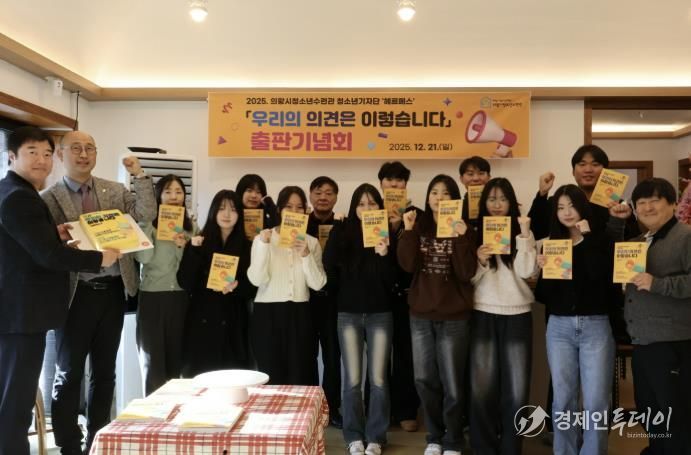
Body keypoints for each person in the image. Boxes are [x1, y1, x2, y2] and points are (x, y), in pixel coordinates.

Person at [0, 126, 117, 455]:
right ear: (11, 157)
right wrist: (99, 258)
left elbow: (29, 245)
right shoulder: (20, 197)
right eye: (32, 153)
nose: (41, 160)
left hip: (19, 316)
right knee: (15, 405)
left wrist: (55, 233)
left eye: (46, 153)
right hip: (20, 318)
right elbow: (48, 256)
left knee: (14, 400)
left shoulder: (15, 191)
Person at [41, 130, 156, 455]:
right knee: (68, 373)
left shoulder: (115, 190)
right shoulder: (49, 199)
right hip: (73, 294)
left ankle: (98, 438)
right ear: (61, 155)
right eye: (75, 148)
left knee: (105, 373)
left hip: (113, 291)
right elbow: (45, 249)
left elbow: (146, 214)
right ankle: (68, 445)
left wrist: (140, 175)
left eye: (89, 148)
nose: (83, 154)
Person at [397, 174, 478, 455]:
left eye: (445, 193)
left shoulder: (464, 229)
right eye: (434, 192)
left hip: (455, 317)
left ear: (454, 199)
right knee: (424, 379)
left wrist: (461, 237)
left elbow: (467, 273)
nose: (439, 198)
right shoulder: (419, 225)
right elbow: (407, 265)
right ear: (428, 197)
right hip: (421, 315)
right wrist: (408, 230)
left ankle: (453, 439)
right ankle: (434, 436)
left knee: (452, 382)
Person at [534, 184, 617, 455]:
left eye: (572, 206)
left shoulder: (601, 240)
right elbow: (543, 296)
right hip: (559, 327)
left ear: (583, 207)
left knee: (595, 401)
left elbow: (603, 280)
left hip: (595, 325)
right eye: (560, 207)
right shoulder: (552, 244)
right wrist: (543, 268)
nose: (567, 212)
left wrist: (588, 237)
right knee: (563, 399)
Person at [323, 184, 396, 455]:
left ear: (379, 207)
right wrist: (338, 228)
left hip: (380, 314)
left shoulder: (387, 234)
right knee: (352, 380)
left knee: (378, 380)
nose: (367, 209)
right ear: (354, 208)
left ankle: (376, 436)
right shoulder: (343, 231)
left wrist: (385, 254)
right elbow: (328, 263)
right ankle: (353, 436)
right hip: (349, 314)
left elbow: (394, 281)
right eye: (361, 204)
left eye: (372, 203)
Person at [470, 178, 537, 455]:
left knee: (517, 389)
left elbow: (527, 272)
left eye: (503, 199)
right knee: (482, 387)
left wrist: (524, 234)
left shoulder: (524, 231)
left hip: (518, 313)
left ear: (511, 202)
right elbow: (467, 279)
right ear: (483, 202)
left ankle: (512, 447)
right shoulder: (474, 232)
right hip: (482, 312)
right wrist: (480, 260)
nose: (497, 205)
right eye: (492, 199)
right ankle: (483, 448)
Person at [625, 178, 691, 454]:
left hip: (673, 341)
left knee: (675, 414)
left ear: (673, 204)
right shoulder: (639, 242)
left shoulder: (686, 237)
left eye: (655, 201)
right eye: (641, 203)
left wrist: (658, 284)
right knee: (650, 410)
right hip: (643, 341)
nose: (647, 208)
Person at [247, 186, 327, 385]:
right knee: (270, 374)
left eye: (299, 207)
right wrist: (264, 245)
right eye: (288, 206)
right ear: (279, 210)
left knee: (301, 374)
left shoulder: (311, 242)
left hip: (300, 314)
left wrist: (306, 255)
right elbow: (256, 279)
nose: (294, 211)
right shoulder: (263, 238)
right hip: (267, 314)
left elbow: (317, 284)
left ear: (305, 211)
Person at [177, 190, 252, 376]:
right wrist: (193, 251)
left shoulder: (248, 246)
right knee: (201, 379)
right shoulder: (199, 242)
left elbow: (254, 287)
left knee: (234, 380)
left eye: (233, 209)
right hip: (202, 321)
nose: (227, 214)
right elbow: (184, 282)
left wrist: (237, 286)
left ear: (240, 214)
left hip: (234, 322)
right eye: (221, 208)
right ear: (213, 211)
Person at [134, 174, 197, 395]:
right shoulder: (149, 226)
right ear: (158, 196)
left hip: (181, 298)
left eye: (179, 192)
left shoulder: (191, 228)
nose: (174, 196)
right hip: (152, 297)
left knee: (177, 362)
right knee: (152, 362)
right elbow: (143, 258)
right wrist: (146, 226)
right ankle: (154, 413)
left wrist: (182, 246)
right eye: (168, 192)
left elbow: (193, 268)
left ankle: (176, 412)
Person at [377, 161, 421, 432]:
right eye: (389, 180)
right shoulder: (371, 214)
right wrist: (389, 228)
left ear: (406, 185)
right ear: (381, 184)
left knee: (406, 354)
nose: (394, 185)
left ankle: (406, 409)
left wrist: (403, 228)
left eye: (399, 181)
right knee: (379, 357)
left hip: (408, 296)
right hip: (379, 296)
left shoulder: (416, 215)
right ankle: (380, 410)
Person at [307, 176, 343, 428]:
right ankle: (309, 409)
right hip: (306, 300)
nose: (323, 197)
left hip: (333, 301)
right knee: (306, 357)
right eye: (318, 192)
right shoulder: (299, 224)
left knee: (332, 358)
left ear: (336, 198)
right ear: (310, 195)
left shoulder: (343, 225)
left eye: (329, 193)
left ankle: (332, 409)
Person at [459, 156, 492, 229]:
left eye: (481, 173)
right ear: (461, 179)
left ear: (489, 177)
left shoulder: (498, 206)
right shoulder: (458, 208)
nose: (476, 178)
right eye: (470, 174)